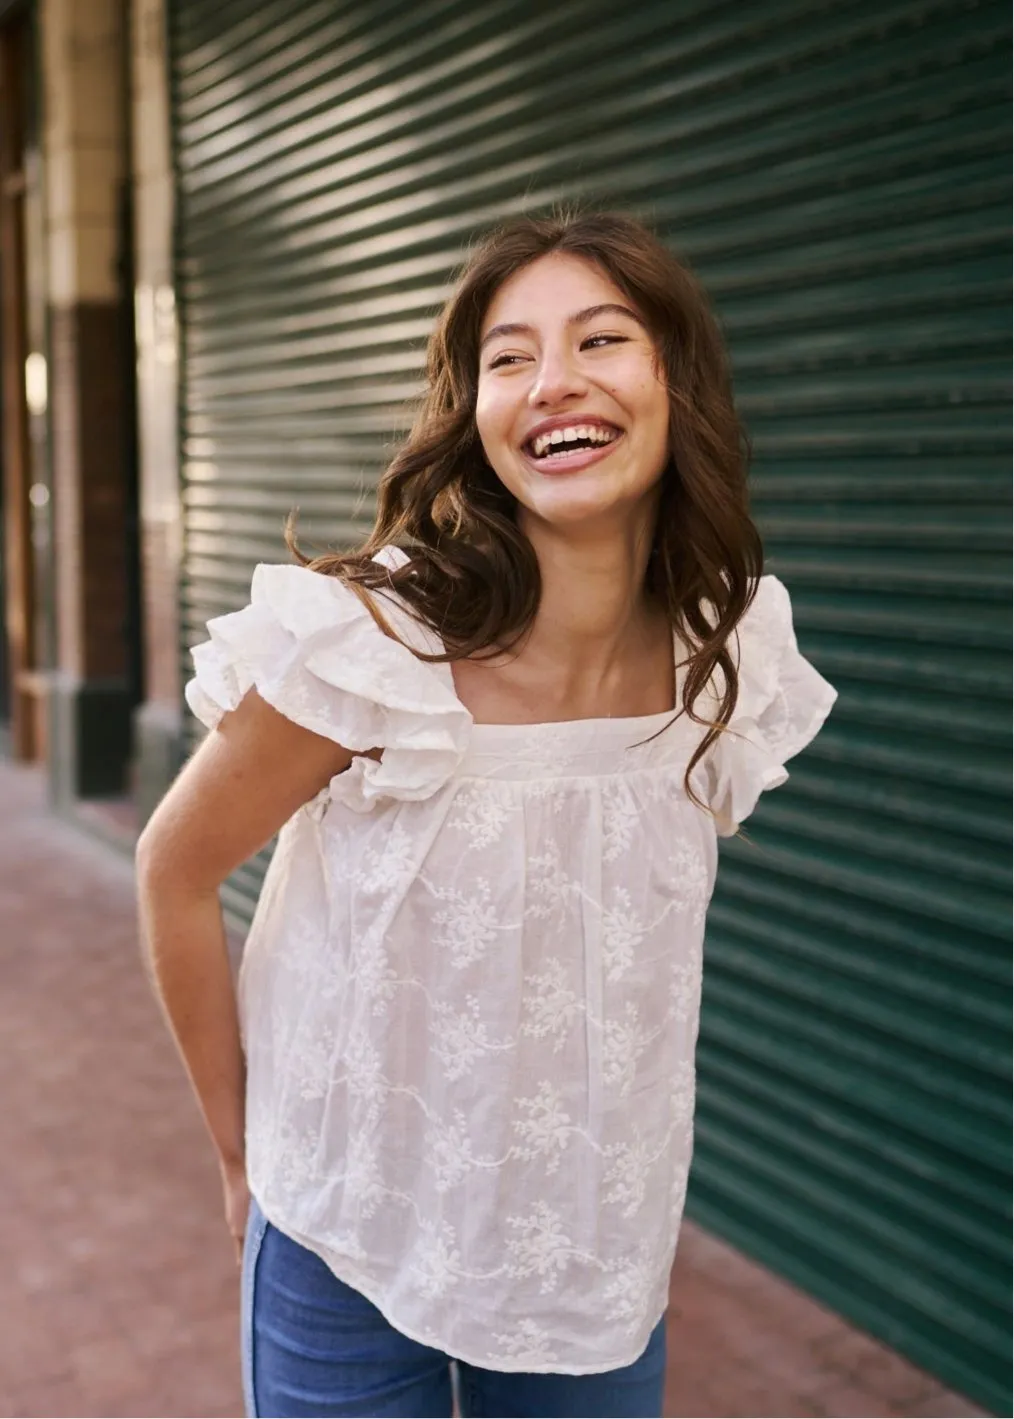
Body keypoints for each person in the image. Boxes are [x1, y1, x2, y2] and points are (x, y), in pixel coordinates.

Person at [137, 210, 836, 1419]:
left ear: (679, 383)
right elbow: (173, 869)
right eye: (509, 357)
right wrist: (243, 1151)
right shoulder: (371, 649)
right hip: (342, 1228)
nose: (554, 380)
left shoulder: (726, 653)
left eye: (602, 339)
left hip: (590, 1243)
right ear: (475, 416)